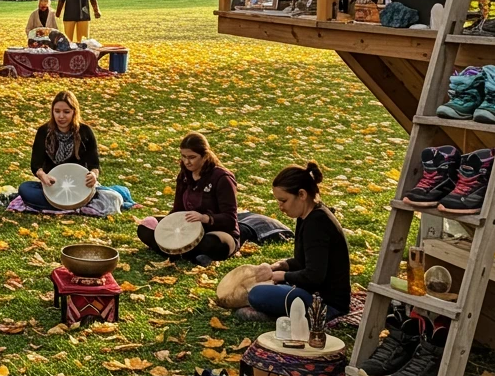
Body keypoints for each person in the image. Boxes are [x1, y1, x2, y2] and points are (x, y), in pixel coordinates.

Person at [237, 162, 351, 321]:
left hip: (326, 304)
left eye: (283, 200)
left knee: (256, 294)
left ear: (302, 194)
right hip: (311, 292)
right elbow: (304, 261)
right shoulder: (307, 216)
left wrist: (282, 276)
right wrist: (280, 265)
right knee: (262, 288)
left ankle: (279, 312)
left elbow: (314, 276)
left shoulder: (317, 223)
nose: (280, 206)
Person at [136, 133, 239, 265]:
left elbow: (230, 219)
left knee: (213, 243)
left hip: (216, 231)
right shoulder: (184, 174)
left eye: (192, 157)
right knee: (145, 227)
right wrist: (165, 228)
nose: (186, 162)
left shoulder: (222, 178)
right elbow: (178, 209)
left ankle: (178, 252)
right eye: (183, 156)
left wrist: (204, 218)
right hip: (185, 228)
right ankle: (190, 254)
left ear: (205, 156)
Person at [18, 90, 100, 211]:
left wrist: (93, 175)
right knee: (25, 189)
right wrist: (43, 176)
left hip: (79, 186)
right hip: (53, 186)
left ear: (74, 112)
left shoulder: (85, 131)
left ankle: (72, 204)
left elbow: (94, 165)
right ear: (52, 112)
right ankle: (73, 206)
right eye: (57, 111)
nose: (61, 116)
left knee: (114, 195)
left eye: (66, 112)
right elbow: (36, 165)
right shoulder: (43, 131)